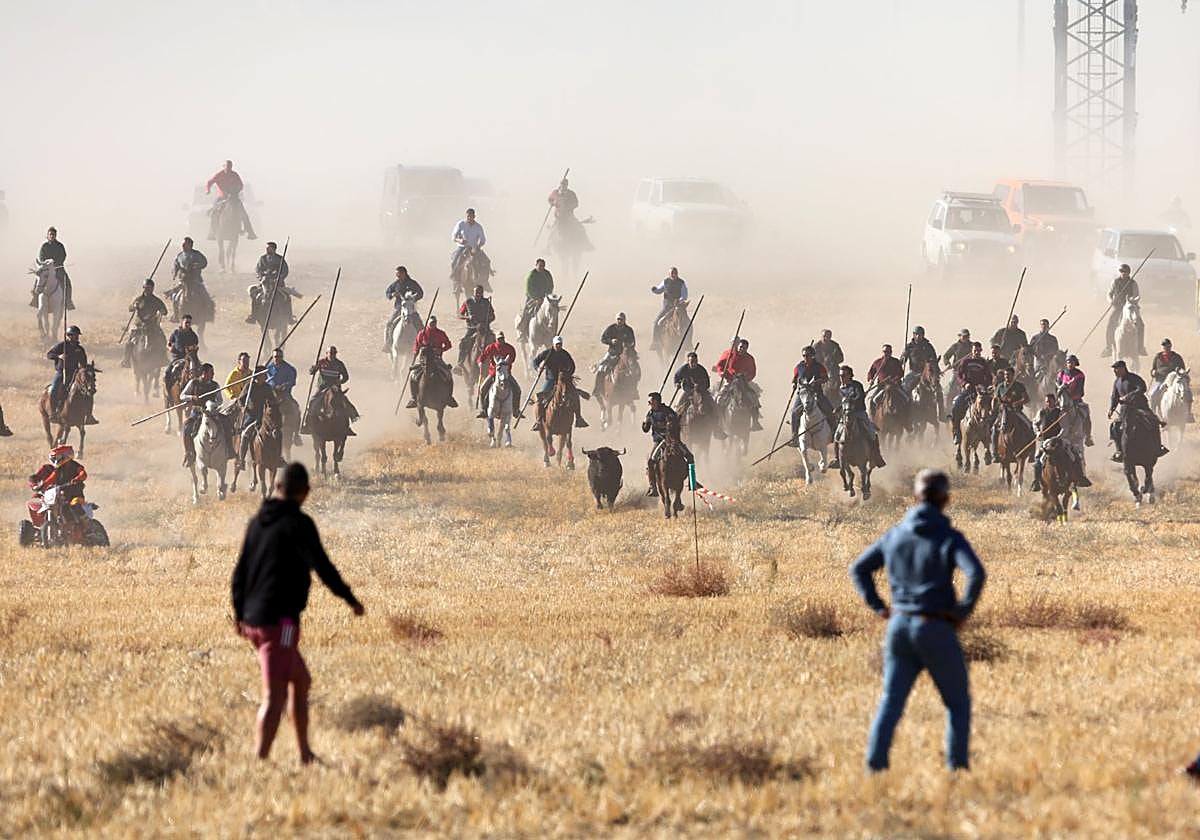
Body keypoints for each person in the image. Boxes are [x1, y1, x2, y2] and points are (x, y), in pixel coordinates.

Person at [850, 469, 986, 772]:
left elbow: (858, 568)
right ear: (946, 499)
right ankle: (957, 769)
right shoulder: (949, 537)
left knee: (891, 701)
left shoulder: (895, 535)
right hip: (936, 626)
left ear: (915, 497)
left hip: (899, 625)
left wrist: (879, 607)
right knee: (957, 704)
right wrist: (962, 612)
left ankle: (875, 767)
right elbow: (976, 573)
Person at [231, 462, 364, 763]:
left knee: (301, 680)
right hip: (281, 621)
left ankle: (305, 754)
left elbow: (240, 573)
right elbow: (323, 566)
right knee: (275, 695)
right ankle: (259, 761)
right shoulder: (299, 524)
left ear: (277, 487)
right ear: (306, 492)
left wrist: (239, 615)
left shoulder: (257, 522)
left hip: (254, 619)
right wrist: (350, 599)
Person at [1108, 359, 1168, 461]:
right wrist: (1111, 408)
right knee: (1114, 427)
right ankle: (1119, 451)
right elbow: (1115, 396)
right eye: (1114, 369)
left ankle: (1158, 447)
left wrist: (1128, 396)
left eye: (1116, 369)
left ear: (1123, 368)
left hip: (1140, 406)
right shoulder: (1117, 382)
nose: (1115, 371)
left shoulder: (1134, 378)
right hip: (1125, 410)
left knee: (1153, 422)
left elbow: (1142, 388)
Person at [1030, 393, 1092, 491]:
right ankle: (1036, 481)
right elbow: (1035, 423)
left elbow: (1065, 428)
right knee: (1038, 458)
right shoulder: (1041, 412)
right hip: (1046, 441)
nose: (1049, 403)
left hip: (1061, 440)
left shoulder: (1061, 413)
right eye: (1047, 402)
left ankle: (1081, 477)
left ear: (1055, 401)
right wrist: (1038, 432)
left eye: (1050, 401)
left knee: (1074, 453)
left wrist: (1057, 437)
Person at [180, 363, 235, 466]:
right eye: (211, 372)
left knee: (227, 423)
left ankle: (229, 449)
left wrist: (213, 405)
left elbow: (220, 400)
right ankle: (189, 453)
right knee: (186, 427)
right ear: (204, 373)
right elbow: (182, 396)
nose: (213, 374)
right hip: (197, 412)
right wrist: (192, 397)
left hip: (211, 413)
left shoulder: (215, 385)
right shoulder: (194, 382)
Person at [642, 392, 695, 496]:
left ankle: (692, 481)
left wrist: (670, 422)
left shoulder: (668, 411)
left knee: (690, 456)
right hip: (658, 441)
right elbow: (645, 429)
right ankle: (653, 487)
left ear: (656, 401)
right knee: (651, 461)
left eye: (650, 401)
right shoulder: (650, 414)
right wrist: (645, 422)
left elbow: (675, 422)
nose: (649, 403)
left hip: (672, 440)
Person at [835, 365, 887, 468]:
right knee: (836, 435)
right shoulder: (840, 389)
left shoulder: (857, 385)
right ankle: (837, 459)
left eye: (843, 375)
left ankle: (877, 456)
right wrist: (838, 408)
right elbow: (842, 402)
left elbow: (859, 397)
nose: (841, 378)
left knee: (872, 434)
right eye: (840, 375)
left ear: (849, 375)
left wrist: (850, 401)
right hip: (846, 415)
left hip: (859, 413)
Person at [531, 336, 588, 429]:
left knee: (574, 395)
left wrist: (567, 374)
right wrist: (538, 368)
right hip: (551, 380)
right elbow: (535, 361)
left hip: (564, 380)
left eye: (560, 344)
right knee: (540, 399)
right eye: (557, 344)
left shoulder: (565, 354)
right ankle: (538, 421)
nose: (558, 346)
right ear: (554, 344)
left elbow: (572, 366)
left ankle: (578, 418)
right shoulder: (547, 353)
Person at [46, 325, 97, 424]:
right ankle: (53, 413)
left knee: (89, 391)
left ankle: (89, 415)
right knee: (54, 389)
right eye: (75, 335)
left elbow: (83, 364)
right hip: (62, 372)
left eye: (77, 335)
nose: (77, 337)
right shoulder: (62, 346)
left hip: (75, 374)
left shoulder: (80, 349)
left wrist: (87, 369)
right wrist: (59, 356)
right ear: (69, 335)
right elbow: (49, 354)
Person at [303, 346, 358, 435]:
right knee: (312, 402)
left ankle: (349, 423)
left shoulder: (339, 364)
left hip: (335, 388)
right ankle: (308, 424)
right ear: (327, 353)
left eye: (334, 353)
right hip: (322, 388)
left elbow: (346, 377)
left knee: (345, 402)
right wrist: (313, 369)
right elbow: (311, 371)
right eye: (330, 353)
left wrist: (340, 381)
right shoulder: (321, 362)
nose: (332, 355)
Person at [406, 315, 459, 409]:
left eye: (434, 323)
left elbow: (448, 345)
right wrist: (415, 352)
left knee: (448, 374)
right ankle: (413, 398)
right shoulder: (422, 333)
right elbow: (416, 345)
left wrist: (441, 350)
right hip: (424, 359)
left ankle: (449, 397)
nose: (433, 325)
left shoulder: (441, 333)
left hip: (437, 359)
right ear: (428, 323)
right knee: (413, 374)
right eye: (431, 323)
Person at [713, 337, 763, 431]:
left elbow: (752, 372)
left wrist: (745, 378)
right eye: (740, 347)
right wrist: (722, 373)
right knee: (719, 399)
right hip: (729, 380)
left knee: (754, 398)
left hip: (743, 382)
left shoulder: (749, 358)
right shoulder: (729, 354)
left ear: (747, 349)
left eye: (744, 348)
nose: (742, 349)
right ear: (737, 346)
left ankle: (755, 422)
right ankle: (718, 423)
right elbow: (719, 365)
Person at [949, 343, 993, 446]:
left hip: (981, 391)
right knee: (956, 407)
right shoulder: (965, 362)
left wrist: (986, 385)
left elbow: (989, 376)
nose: (977, 352)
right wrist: (964, 384)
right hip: (968, 390)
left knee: (993, 408)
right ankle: (957, 433)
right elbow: (959, 375)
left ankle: (991, 433)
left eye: (978, 351)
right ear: (972, 351)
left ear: (981, 351)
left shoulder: (983, 363)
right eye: (975, 350)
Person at [672, 351, 724, 439]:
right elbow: (677, 377)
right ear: (688, 361)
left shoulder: (701, 369)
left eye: (695, 361)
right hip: (688, 391)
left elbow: (707, 383)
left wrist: (700, 386)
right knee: (678, 408)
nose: (693, 363)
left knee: (713, 405)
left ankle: (716, 429)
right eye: (691, 361)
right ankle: (675, 430)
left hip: (702, 392)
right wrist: (677, 383)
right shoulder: (683, 369)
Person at [790, 345, 836, 442]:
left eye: (808, 355)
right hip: (802, 394)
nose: (805, 358)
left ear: (813, 356)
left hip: (816, 393)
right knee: (794, 412)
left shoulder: (819, 367)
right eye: (804, 356)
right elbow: (794, 378)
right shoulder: (799, 367)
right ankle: (794, 436)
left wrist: (817, 382)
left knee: (830, 410)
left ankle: (833, 432)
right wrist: (794, 384)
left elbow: (825, 378)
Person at [29, 445, 89, 518]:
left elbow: (83, 474)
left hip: (75, 495)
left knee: (76, 506)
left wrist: (77, 479)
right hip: (62, 495)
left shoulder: (75, 466)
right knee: (53, 505)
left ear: (66, 456)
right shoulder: (58, 470)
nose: (55, 460)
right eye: (54, 458)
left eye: (58, 457)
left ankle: (86, 521)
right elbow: (51, 479)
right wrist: (42, 486)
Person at [121, 278, 169, 368]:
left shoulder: (156, 300)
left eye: (149, 288)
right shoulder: (139, 299)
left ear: (152, 288)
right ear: (143, 287)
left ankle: (164, 358)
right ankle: (126, 360)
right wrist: (134, 306)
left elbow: (165, 311)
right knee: (130, 341)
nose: (147, 289)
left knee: (162, 338)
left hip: (152, 325)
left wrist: (162, 311)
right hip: (139, 325)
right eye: (145, 287)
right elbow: (130, 308)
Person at [475, 331, 523, 419]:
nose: (501, 340)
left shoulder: (510, 348)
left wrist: (505, 363)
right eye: (499, 339)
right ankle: (483, 410)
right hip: (493, 373)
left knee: (517, 390)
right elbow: (482, 356)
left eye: (502, 338)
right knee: (482, 389)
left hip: (506, 373)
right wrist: (480, 362)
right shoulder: (491, 347)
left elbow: (512, 358)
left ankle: (516, 410)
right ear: (496, 339)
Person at [206, 159, 257, 240]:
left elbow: (241, 185)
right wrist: (208, 190)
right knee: (214, 213)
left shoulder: (235, 175)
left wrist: (236, 191)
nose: (228, 169)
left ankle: (250, 232)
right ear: (224, 167)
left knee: (243, 213)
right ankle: (212, 233)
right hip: (222, 198)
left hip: (234, 197)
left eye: (230, 167)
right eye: (227, 167)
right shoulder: (219, 175)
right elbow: (210, 182)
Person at [237, 367, 277, 470]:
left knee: (276, 432)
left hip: (265, 417)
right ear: (258, 376)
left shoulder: (267, 387)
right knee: (245, 434)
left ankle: (278, 458)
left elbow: (272, 400)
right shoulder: (249, 386)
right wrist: (243, 407)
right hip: (252, 415)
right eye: (263, 375)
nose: (265, 377)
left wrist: (272, 406)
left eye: (265, 375)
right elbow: (240, 400)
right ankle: (241, 460)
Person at [165, 238, 213, 323]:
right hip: (183, 281)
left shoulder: (197, 255)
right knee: (175, 298)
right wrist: (175, 272)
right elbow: (175, 265)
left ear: (190, 245)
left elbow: (204, 263)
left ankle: (208, 314)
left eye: (185, 244)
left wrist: (197, 265)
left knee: (205, 296)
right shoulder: (179, 256)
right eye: (182, 245)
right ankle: (176, 315)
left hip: (195, 280)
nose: (183, 246)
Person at [1103, 264, 1146, 357]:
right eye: (1121, 271)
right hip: (1118, 307)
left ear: (1128, 273)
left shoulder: (1133, 283)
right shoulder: (1115, 282)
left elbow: (1136, 295)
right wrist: (1111, 301)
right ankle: (1108, 348)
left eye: (1125, 272)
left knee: (1141, 325)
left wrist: (1131, 300)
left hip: (1130, 307)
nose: (1123, 273)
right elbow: (1109, 294)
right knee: (1110, 324)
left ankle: (1140, 347)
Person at [1149, 338, 1194, 422]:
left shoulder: (1177, 357)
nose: (1166, 348)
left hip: (1174, 381)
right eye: (1164, 346)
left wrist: (1181, 374)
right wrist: (1153, 372)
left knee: (1188, 394)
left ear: (1170, 346)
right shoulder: (1157, 357)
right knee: (1152, 395)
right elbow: (1153, 369)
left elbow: (1182, 370)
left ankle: (1188, 414)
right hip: (1161, 380)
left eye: (1168, 346)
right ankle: (1152, 415)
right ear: (1162, 347)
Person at [592, 312, 638, 396]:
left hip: (626, 354)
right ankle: (597, 389)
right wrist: (611, 341)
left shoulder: (629, 330)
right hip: (612, 353)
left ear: (624, 320)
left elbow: (633, 342)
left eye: (621, 319)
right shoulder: (611, 328)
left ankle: (634, 391)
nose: (620, 321)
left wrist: (628, 346)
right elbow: (603, 339)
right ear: (616, 319)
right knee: (601, 368)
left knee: (634, 370)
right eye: (618, 319)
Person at [248, 241, 293, 324]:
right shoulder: (262, 258)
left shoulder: (280, 259)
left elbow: (285, 271)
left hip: (278, 284)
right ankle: (253, 316)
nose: (267, 249)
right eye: (267, 248)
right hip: (265, 284)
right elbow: (258, 270)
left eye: (269, 248)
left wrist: (279, 278)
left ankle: (289, 317)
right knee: (255, 296)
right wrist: (262, 277)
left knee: (286, 297)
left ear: (274, 249)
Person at [990, 367, 1031, 457]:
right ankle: (994, 452)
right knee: (994, 428)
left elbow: (1026, 399)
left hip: (1016, 411)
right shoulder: (1000, 386)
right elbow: (995, 399)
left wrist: (1017, 403)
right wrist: (993, 407)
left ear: (1013, 375)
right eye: (1005, 375)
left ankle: (1031, 451)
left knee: (1029, 425)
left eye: (1008, 375)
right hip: (1003, 412)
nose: (1006, 376)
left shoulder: (1019, 386)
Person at [1055, 354, 1094, 447]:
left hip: (1076, 400)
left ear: (1075, 363)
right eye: (1068, 362)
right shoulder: (1061, 374)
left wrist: (1070, 394)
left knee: (1086, 412)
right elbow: (1056, 387)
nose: (1070, 364)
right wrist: (1059, 393)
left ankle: (1088, 437)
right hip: (1062, 400)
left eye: (1072, 362)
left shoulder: (1080, 375)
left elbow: (1080, 390)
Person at [382, 266, 424, 352]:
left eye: (398, 274)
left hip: (411, 309)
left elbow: (420, 293)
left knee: (420, 326)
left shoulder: (412, 283)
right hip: (399, 308)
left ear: (404, 273)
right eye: (396, 274)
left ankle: (422, 344)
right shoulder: (395, 284)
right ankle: (388, 344)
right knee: (389, 324)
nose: (397, 276)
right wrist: (392, 294)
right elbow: (388, 292)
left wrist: (414, 298)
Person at [455, 285, 496, 372]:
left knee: (495, 342)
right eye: (477, 292)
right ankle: (460, 363)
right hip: (472, 328)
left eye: (480, 292)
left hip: (484, 328)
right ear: (473, 292)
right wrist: (468, 317)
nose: (478, 294)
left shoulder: (486, 302)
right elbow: (460, 315)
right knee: (464, 343)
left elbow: (493, 316)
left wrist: (487, 320)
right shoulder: (468, 302)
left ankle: (497, 361)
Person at [32, 226, 74, 310]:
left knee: (67, 282)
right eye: (50, 234)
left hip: (58, 269)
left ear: (55, 235)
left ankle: (68, 302)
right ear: (47, 235)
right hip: (46, 269)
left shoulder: (60, 246)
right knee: (38, 281)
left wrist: (56, 264)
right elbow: (41, 257)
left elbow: (63, 256)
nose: (52, 236)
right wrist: (47, 264)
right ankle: (35, 300)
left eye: (53, 234)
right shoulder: (44, 246)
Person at [266, 348, 300, 445]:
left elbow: (292, 381)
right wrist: (273, 385)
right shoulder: (268, 368)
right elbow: (266, 379)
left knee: (296, 409)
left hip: (284, 394)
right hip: (271, 394)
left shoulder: (289, 369)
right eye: (275, 356)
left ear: (282, 357)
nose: (277, 358)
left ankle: (296, 435)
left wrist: (284, 386)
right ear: (272, 357)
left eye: (279, 357)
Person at [650, 267, 689, 351]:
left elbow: (684, 295)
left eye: (675, 273)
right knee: (656, 322)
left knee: (689, 324)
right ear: (669, 274)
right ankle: (655, 342)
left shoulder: (681, 283)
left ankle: (688, 343)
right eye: (672, 273)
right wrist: (654, 290)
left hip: (678, 307)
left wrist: (679, 300)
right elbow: (659, 290)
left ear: (677, 273)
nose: (673, 275)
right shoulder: (665, 282)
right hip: (667, 307)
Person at [449, 208, 491, 284]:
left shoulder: (478, 227)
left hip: (474, 248)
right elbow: (453, 237)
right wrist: (460, 240)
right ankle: (456, 281)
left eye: (471, 216)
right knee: (454, 262)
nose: (469, 218)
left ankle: (485, 281)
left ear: (474, 216)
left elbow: (483, 240)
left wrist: (478, 246)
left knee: (487, 261)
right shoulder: (461, 224)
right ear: (466, 216)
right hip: (462, 247)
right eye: (468, 216)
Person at [517, 258, 554, 341]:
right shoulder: (531, 275)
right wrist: (537, 298)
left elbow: (551, 285)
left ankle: (552, 332)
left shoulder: (547, 274)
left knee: (553, 311)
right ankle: (522, 332)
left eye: (543, 266)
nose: (541, 267)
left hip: (545, 297)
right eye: (540, 266)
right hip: (532, 298)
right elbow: (529, 289)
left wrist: (547, 296)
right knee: (527, 312)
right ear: (536, 265)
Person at [866, 344, 908, 418]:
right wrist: (871, 379)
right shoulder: (877, 362)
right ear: (882, 352)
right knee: (872, 400)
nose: (886, 353)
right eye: (885, 352)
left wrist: (894, 380)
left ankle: (907, 419)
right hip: (882, 387)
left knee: (907, 399)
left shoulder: (896, 362)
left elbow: (900, 373)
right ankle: (872, 420)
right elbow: (870, 373)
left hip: (895, 386)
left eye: (888, 352)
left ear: (891, 352)